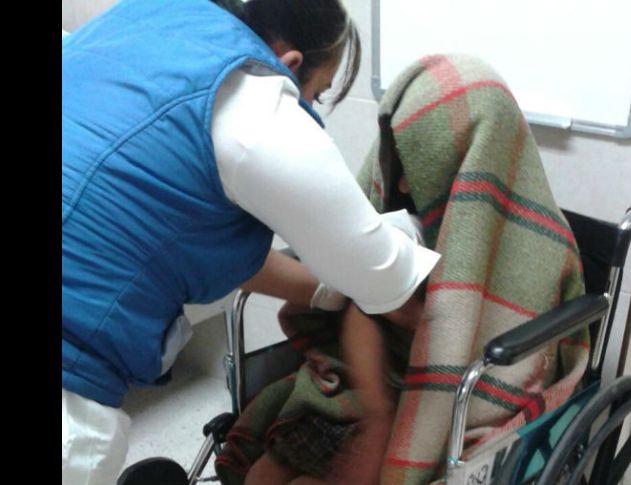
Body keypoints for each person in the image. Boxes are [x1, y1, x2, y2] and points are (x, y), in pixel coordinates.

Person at [61, 0, 440, 483]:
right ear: (291, 65)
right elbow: (385, 278)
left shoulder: (151, 18)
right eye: (317, 93)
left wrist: (327, 293)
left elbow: (205, 244)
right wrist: (400, 242)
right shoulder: (258, 104)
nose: (309, 106)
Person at [215, 53, 591, 485]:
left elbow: (525, 359)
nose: (401, 185)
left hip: (458, 406)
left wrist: (438, 331)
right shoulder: (404, 228)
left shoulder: (544, 245)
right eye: (399, 160)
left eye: (421, 163)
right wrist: (378, 400)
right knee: (261, 475)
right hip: (376, 382)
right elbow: (362, 308)